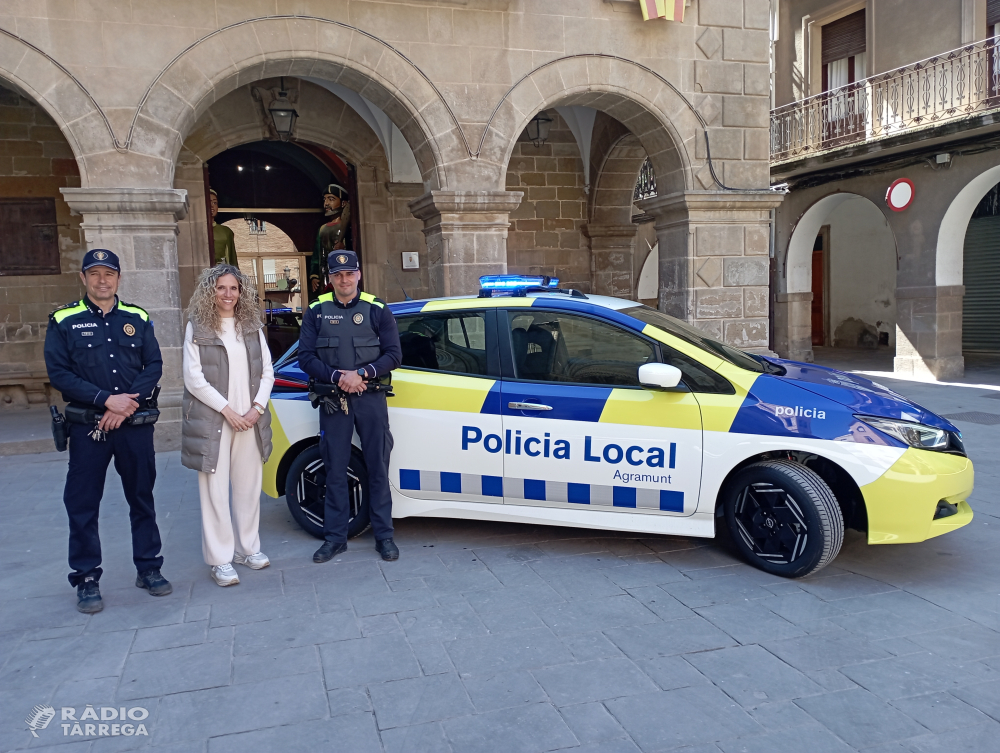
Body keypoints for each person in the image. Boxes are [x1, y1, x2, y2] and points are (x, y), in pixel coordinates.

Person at [44, 249, 171, 614]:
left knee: (141, 498)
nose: (102, 280)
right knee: (82, 504)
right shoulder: (64, 319)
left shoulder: (137, 316)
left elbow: (154, 364)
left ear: (118, 278)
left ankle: (148, 568)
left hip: (132, 426)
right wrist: (105, 400)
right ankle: (86, 578)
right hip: (89, 429)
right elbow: (60, 373)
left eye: (109, 274)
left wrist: (124, 404)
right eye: (94, 273)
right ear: (83, 278)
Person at [298, 250, 402, 563]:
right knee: (334, 469)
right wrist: (337, 377)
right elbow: (305, 357)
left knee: (377, 468)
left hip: (370, 398)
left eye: (349, 273)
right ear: (329, 278)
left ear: (358, 275)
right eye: (337, 275)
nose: (344, 279)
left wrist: (362, 374)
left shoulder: (377, 309)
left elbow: (394, 354)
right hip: (334, 402)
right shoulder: (316, 311)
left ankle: (384, 536)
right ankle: (335, 538)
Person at [181, 264, 274, 586]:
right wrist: (228, 411)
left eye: (233, 288)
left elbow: (267, 372)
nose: (228, 294)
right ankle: (220, 559)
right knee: (215, 492)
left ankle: (248, 548)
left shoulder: (251, 326)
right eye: (221, 288)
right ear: (210, 291)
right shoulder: (198, 327)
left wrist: (256, 409)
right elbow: (194, 379)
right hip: (214, 422)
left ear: (241, 292)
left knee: (248, 488)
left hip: (249, 420)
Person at [307, 184, 351, 302]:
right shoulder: (322, 229)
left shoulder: (348, 228)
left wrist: (345, 247)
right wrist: (314, 276)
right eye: (325, 199)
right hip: (325, 275)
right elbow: (317, 255)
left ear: (343, 203)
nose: (326, 203)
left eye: (331, 199)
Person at [209, 189, 238, 267]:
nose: (212, 205)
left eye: (214, 203)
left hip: (220, 272)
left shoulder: (226, 231)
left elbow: (231, 259)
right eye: (208, 202)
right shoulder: (194, 230)